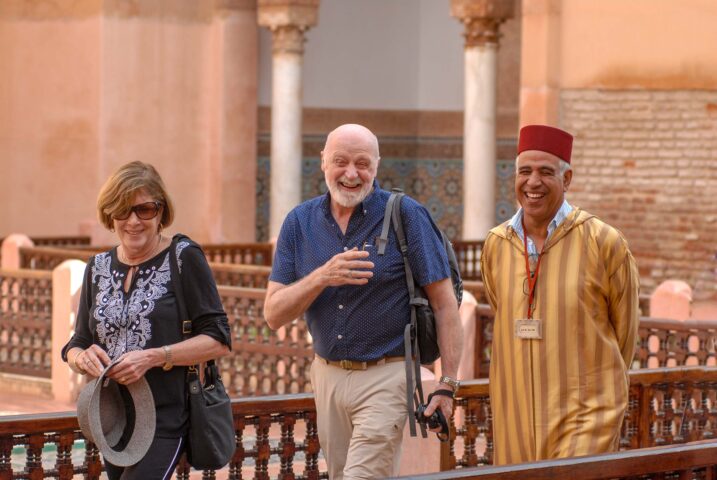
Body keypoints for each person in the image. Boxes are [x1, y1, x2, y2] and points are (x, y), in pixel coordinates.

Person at [264, 123, 463, 479]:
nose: (351, 173)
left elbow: (445, 303)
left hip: (387, 374)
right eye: (340, 161)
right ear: (323, 161)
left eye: (362, 163)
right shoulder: (300, 222)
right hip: (326, 376)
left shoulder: (406, 215)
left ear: (377, 165)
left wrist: (447, 383)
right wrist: (322, 276)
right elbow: (274, 314)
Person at [480, 124, 640, 465]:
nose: (533, 182)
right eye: (525, 171)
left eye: (545, 172)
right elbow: (501, 308)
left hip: (586, 413)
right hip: (516, 415)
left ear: (567, 180)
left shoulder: (603, 242)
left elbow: (624, 332)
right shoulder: (497, 244)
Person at [62, 161, 232, 479]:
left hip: (167, 417)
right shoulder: (96, 267)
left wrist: (155, 356)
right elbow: (77, 343)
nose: (133, 221)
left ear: (161, 211)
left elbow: (219, 338)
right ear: (109, 214)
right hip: (110, 417)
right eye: (123, 211)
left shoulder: (184, 257)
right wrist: (81, 358)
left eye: (145, 209)